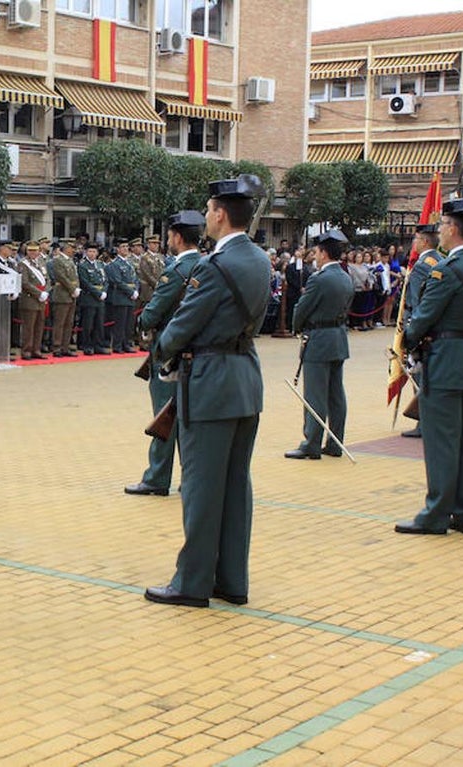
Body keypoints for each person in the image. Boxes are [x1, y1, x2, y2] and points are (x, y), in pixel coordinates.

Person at [145, 175, 271, 608]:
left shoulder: (215, 265)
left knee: (201, 486)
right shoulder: (259, 258)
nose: (207, 216)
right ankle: (232, 580)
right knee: (236, 485)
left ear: (220, 213)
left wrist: (161, 349)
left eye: (209, 209)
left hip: (211, 382)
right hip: (244, 380)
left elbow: (182, 325)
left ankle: (192, 582)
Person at [396, 197, 463, 536]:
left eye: (442, 226)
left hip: (445, 362)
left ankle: (436, 514)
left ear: (452, 228)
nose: (440, 231)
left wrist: (407, 338)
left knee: (441, 441)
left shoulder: (446, 270)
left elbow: (423, 317)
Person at [127, 211, 205, 497]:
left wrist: (142, 322)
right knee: (188, 418)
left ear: (178, 237)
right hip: (197, 351)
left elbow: (153, 313)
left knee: (165, 415)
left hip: (168, 350)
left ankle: (157, 478)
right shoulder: (207, 265)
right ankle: (191, 479)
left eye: (170, 235)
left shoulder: (176, 270)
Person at [285, 230, 354, 460]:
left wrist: (296, 327)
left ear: (324, 253)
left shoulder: (319, 278)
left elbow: (302, 309)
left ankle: (311, 443)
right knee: (336, 394)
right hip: (339, 338)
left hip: (319, 339)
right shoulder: (345, 276)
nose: (314, 256)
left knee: (315, 395)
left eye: (316, 252)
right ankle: (336, 442)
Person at [399, 224, 443, 439]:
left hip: (418, 324)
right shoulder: (439, 260)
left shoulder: (423, 265)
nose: (413, 243)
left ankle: (423, 423)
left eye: (416, 239)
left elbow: (417, 301)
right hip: (434, 327)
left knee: (419, 374)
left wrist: (412, 333)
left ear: (425, 242)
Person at [16, 240, 50, 359]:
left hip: (41, 299)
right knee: (29, 327)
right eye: (30, 250)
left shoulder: (41, 262)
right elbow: (24, 283)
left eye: (35, 250)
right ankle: (26, 350)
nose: (33, 253)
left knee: (39, 326)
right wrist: (39, 293)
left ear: (39, 251)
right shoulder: (23, 264)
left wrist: (46, 291)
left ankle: (36, 349)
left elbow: (47, 279)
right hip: (30, 299)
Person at [47, 239, 80, 357]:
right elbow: (61, 277)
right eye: (72, 248)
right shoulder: (58, 260)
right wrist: (72, 289)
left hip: (71, 295)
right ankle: (57, 347)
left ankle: (65, 347)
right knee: (59, 323)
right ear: (65, 248)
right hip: (62, 294)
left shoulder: (70, 261)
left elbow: (75, 277)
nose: (73, 250)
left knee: (69, 323)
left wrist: (77, 288)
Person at [104, 242, 138, 353]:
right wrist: (130, 292)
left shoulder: (129, 263)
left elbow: (135, 279)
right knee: (120, 323)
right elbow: (117, 281)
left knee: (129, 324)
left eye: (126, 246)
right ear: (117, 249)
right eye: (122, 247)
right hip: (121, 297)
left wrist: (136, 290)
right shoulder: (115, 264)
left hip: (130, 297)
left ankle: (126, 344)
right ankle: (117, 345)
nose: (125, 249)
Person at [77, 243, 109, 354]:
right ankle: (87, 346)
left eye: (94, 251)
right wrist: (98, 293)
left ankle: (98, 345)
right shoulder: (82, 265)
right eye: (90, 251)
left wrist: (104, 291)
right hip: (89, 298)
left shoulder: (100, 264)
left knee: (99, 324)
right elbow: (85, 282)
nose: (92, 253)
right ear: (86, 252)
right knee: (88, 324)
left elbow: (105, 280)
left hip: (100, 299)